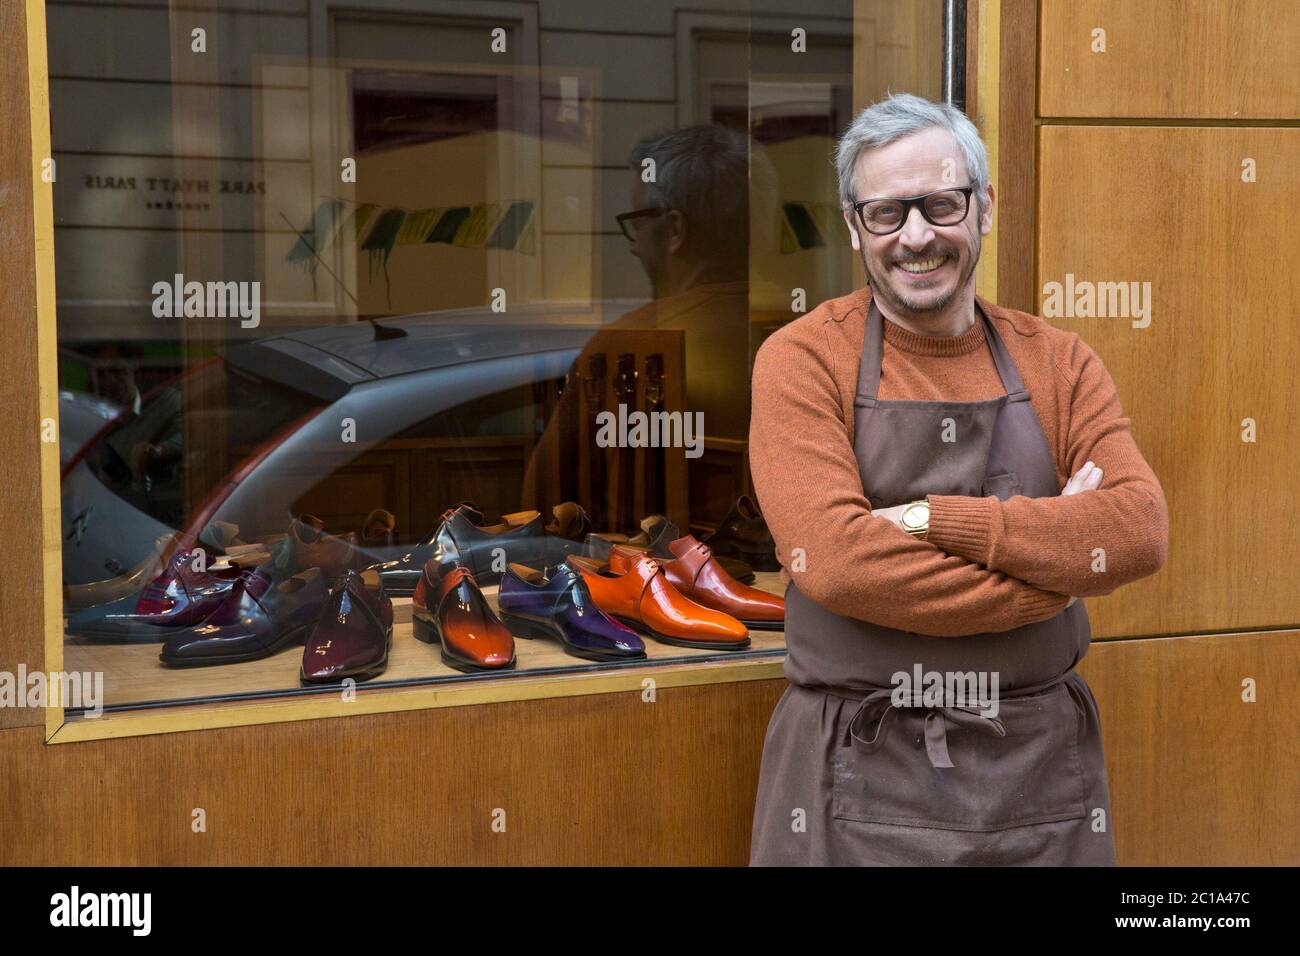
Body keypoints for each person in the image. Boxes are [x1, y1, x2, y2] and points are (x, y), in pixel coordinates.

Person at [747, 92, 1169, 865]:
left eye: (940, 205)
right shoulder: (804, 360)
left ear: (983, 209)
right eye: (887, 213)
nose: (916, 236)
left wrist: (923, 521)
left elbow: (1137, 530)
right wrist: (1052, 578)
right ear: (853, 225)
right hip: (855, 768)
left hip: (1041, 770)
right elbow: (834, 562)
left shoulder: (1059, 362)